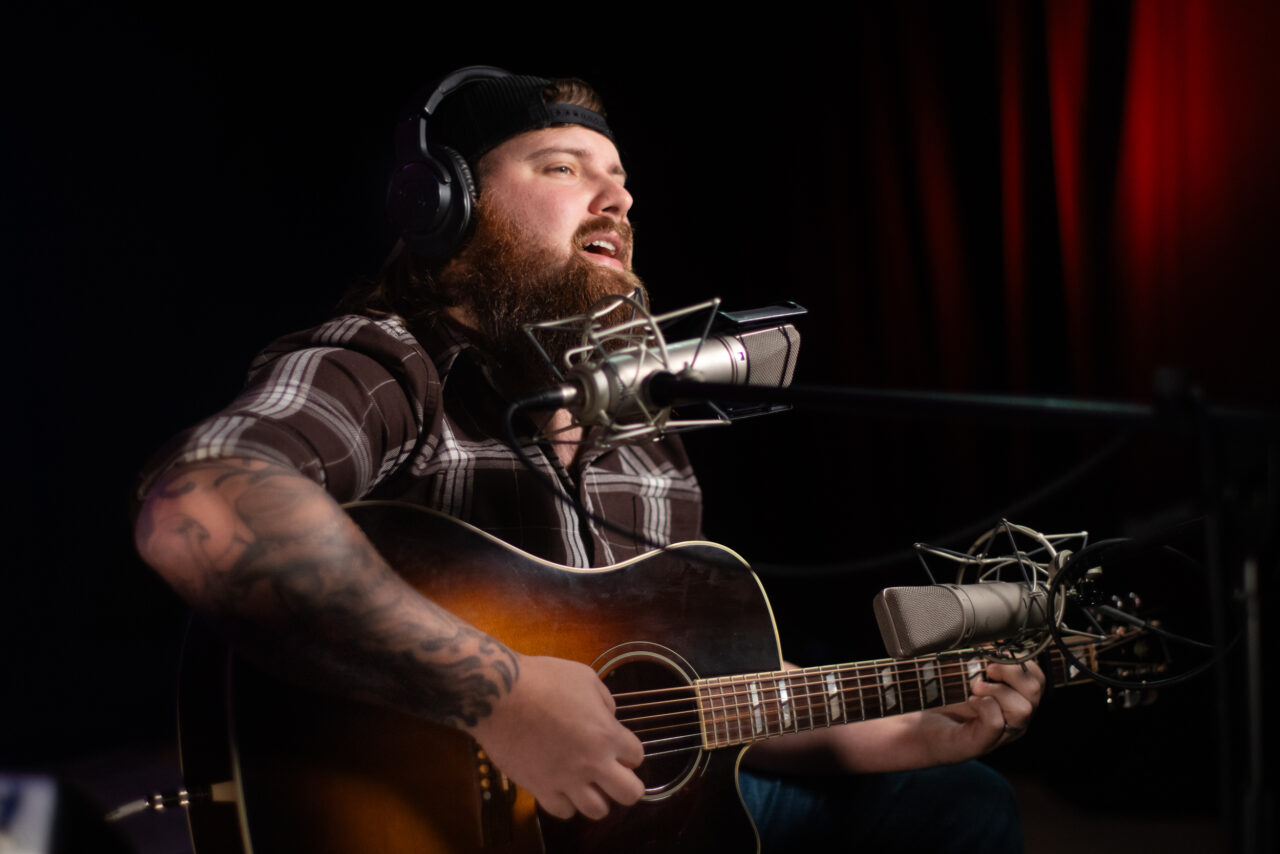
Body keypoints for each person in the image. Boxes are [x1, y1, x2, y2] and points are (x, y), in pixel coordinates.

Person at [134, 67, 1043, 852]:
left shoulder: (647, 431)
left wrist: (902, 730)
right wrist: (495, 693)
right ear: (446, 210)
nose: (618, 201)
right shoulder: (392, 361)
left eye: (621, 180)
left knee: (956, 805)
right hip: (415, 820)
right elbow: (200, 504)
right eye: (563, 169)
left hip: (625, 829)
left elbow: (690, 708)